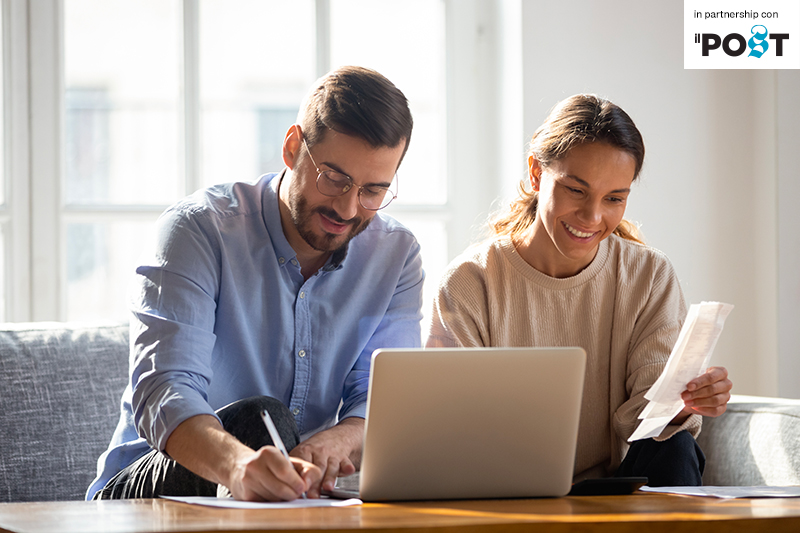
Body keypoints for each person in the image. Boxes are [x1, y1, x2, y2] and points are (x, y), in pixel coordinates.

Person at [87, 66, 424, 502]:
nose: (347, 207)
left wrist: (336, 442)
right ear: (291, 147)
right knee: (261, 419)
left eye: (373, 191)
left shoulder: (395, 256)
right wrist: (239, 466)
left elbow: (381, 400)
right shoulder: (198, 230)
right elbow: (165, 392)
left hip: (291, 495)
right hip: (146, 490)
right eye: (334, 179)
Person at [426, 94, 732, 486]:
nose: (593, 217)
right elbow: (452, 427)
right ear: (537, 173)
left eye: (614, 199)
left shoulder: (649, 275)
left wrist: (682, 403)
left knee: (675, 448)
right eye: (576, 190)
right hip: (504, 486)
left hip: (617, 488)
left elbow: (648, 415)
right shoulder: (471, 282)